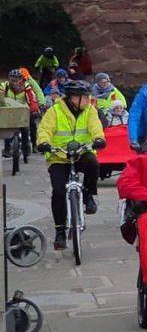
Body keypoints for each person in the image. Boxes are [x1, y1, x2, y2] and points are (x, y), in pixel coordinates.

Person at [36, 80, 105, 250]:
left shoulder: (90, 110)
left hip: (82, 152)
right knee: (58, 191)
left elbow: (95, 127)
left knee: (92, 163)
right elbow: (44, 129)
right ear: (73, 98)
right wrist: (44, 142)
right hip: (59, 155)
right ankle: (60, 232)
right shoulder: (55, 111)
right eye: (84, 97)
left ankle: (89, 195)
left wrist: (99, 139)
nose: (88, 100)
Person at [2, 69, 39, 158]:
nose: (14, 82)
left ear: (20, 80)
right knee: (7, 129)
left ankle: (26, 147)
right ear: (9, 79)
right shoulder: (5, 86)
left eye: (16, 80)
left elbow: (32, 101)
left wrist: (33, 110)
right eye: (12, 80)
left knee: (26, 128)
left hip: (23, 112)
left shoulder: (27, 87)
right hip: (9, 111)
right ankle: (7, 149)